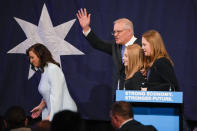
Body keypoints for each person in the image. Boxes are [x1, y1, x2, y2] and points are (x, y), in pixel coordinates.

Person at [76, 8, 141, 99]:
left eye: (118, 31)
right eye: (114, 32)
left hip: (137, 97)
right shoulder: (116, 47)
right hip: (118, 97)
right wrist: (86, 28)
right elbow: (98, 44)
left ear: (129, 31)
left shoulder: (141, 47)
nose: (115, 34)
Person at [26, 43, 77, 121]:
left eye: (32, 57)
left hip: (65, 114)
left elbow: (57, 96)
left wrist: (51, 118)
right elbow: (49, 93)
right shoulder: (44, 70)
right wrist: (41, 106)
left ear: (40, 56)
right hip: (57, 113)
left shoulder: (52, 69)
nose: (31, 61)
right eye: (30, 58)